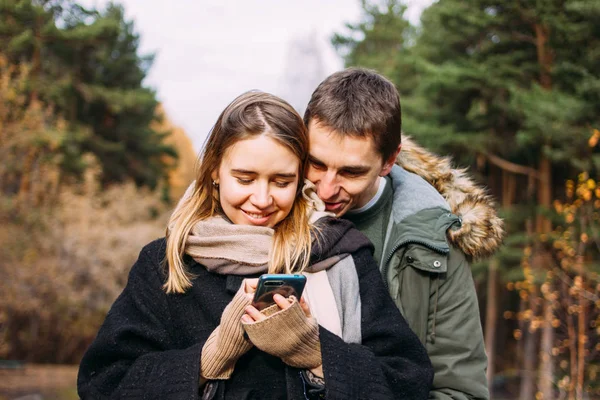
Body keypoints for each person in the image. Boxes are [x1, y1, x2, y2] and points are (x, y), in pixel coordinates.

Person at [77, 91, 434, 399]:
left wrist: (315, 352)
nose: (261, 199)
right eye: (245, 178)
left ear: (300, 181)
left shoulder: (340, 255)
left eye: (281, 181)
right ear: (215, 170)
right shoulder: (166, 263)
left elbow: (409, 381)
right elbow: (102, 385)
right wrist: (208, 359)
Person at [303, 68, 504, 399]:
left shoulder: (435, 242)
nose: (326, 189)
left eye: (351, 172)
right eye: (317, 164)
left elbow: (459, 389)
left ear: (388, 160)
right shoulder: (267, 208)